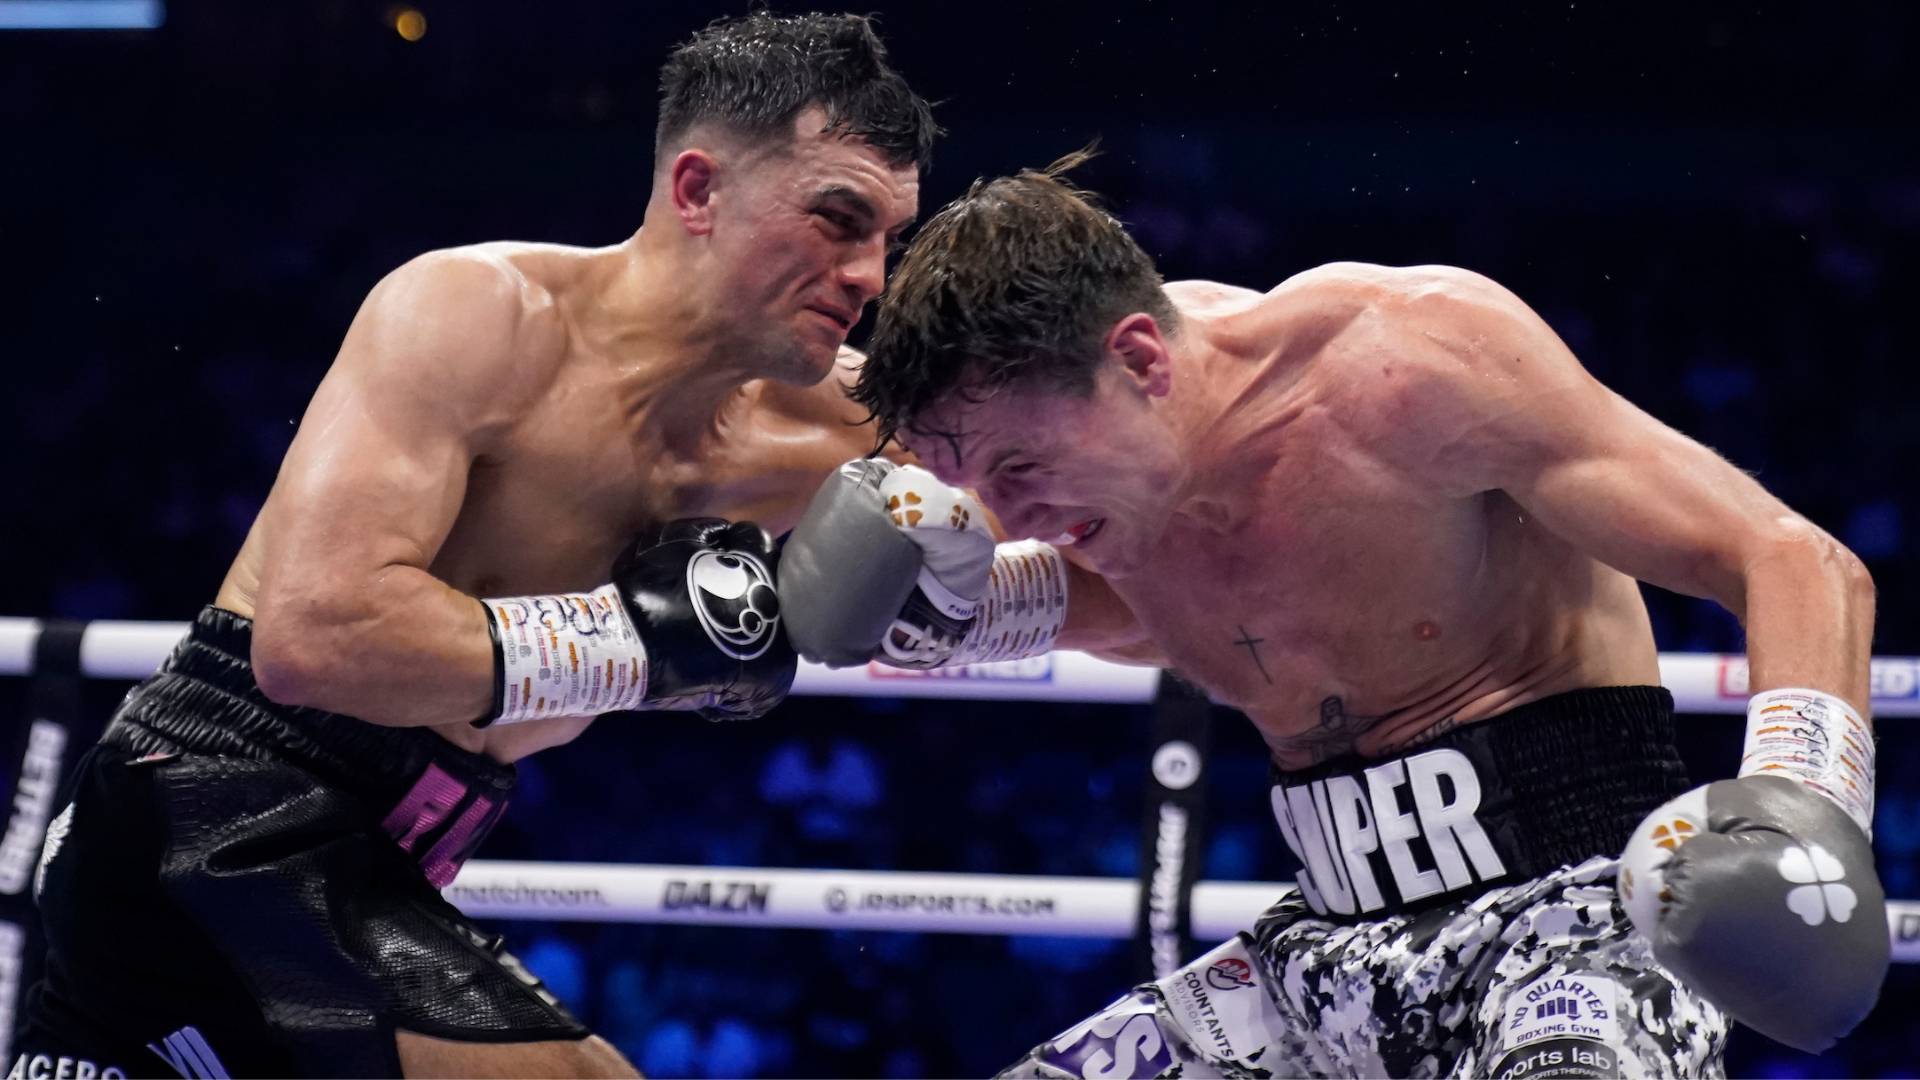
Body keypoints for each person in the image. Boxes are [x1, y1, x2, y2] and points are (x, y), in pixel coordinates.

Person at [782, 154, 1888, 1078]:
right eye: (976, 483)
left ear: (1140, 358)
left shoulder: (1404, 367)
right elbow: (1177, 616)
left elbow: (1793, 559)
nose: (1008, 514)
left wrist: (1804, 817)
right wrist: (970, 612)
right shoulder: (1117, 496)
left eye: (1021, 468)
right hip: (1321, 960)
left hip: (1575, 931)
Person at [17, 13, 937, 1077]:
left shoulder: (834, 427)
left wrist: (981, 594)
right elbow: (312, 637)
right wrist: (637, 647)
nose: (870, 274)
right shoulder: (479, 314)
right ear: (698, 191)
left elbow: (1055, 512)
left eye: (888, 238)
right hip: (218, 813)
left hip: (384, 859)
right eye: (838, 220)